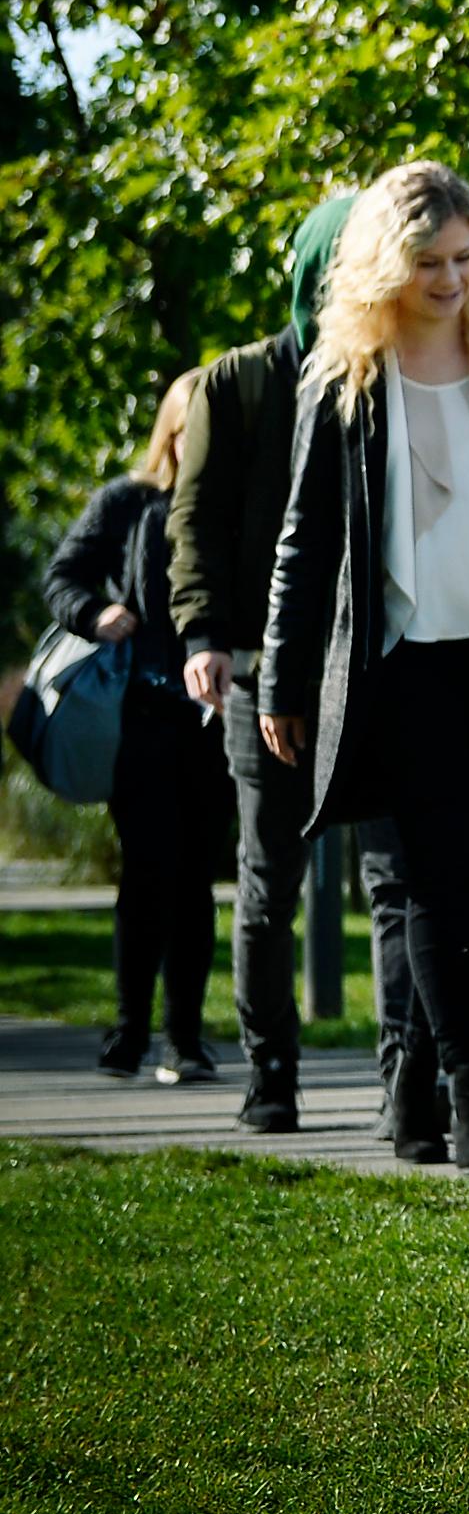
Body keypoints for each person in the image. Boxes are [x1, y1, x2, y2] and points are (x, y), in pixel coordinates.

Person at [256, 163, 469, 1182]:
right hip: (396, 669)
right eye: (429, 262)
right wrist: (280, 678)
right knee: (431, 894)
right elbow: (304, 539)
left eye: (465, 258)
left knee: (463, 894)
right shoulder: (344, 376)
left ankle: (410, 1082)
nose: (452, 279)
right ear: (382, 263)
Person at [168, 191, 356, 1132]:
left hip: (370, 663)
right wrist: (202, 637)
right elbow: (192, 522)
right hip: (256, 667)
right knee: (266, 878)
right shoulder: (235, 385)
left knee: (402, 879)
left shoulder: (392, 375)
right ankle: (269, 1072)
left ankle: (420, 1077)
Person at [44, 378, 225, 1083]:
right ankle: (128, 1033)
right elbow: (62, 577)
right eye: (191, 429)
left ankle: (184, 1039)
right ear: (171, 432)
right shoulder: (128, 502)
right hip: (141, 718)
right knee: (148, 872)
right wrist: (96, 614)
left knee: (195, 882)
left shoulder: (229, 507)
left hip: (210, 723)